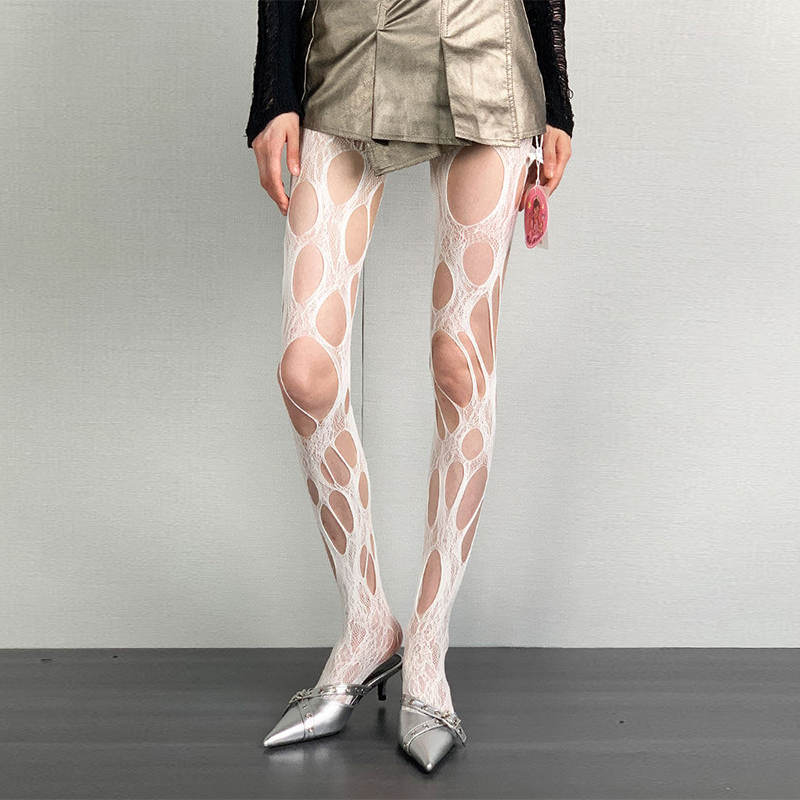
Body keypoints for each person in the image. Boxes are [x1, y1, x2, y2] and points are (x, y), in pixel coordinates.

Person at [245, 0, 574, 773]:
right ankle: (368, 624)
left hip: (485, 51)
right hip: (350, 44)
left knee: (460, 358)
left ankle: (427, 645)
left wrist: (557, 99)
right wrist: (273, 92)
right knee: (305, 370)